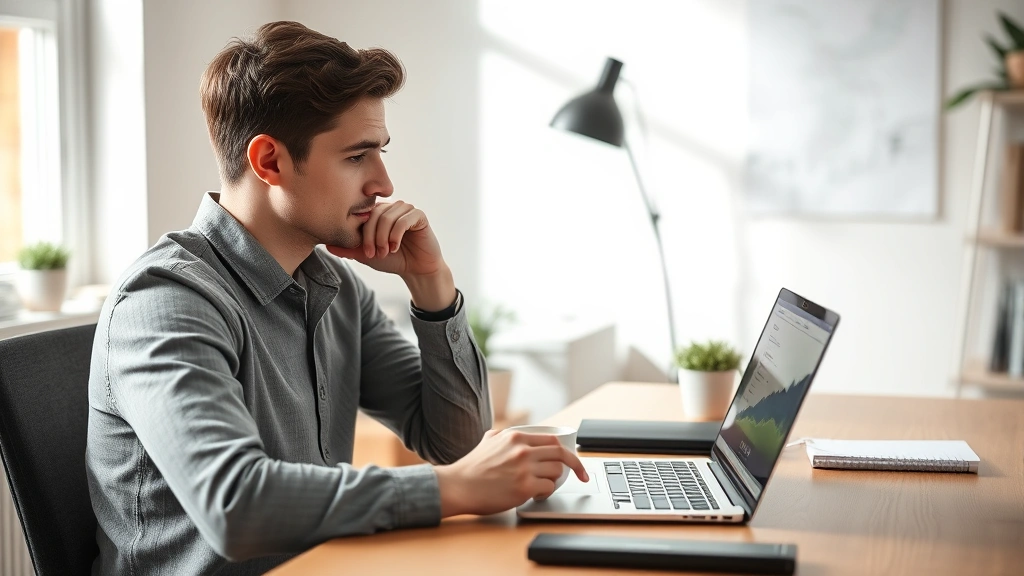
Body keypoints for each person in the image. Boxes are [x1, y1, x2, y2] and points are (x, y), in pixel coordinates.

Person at [85, 20, 588, 575]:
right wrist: (453, 489)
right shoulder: (166, 301)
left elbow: (455, 442)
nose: (384, 183)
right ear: (269, 161)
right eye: (357, 156)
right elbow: (234, 505)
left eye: (380, 153)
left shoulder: (332, 286)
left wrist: (431, 283)